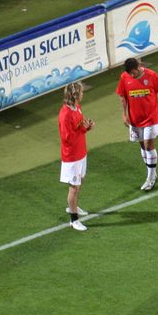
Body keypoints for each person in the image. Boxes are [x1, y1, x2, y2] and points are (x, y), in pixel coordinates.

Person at [115, 57, 158, 191]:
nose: (132, 76)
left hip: (151, 118)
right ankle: (152, 172)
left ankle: (150, 177)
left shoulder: (152, 75)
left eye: (133, 72)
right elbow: (123, 96)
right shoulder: (124, 77)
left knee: (148, 145)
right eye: (130, 73)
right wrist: (124, 114)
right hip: (135, 119)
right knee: (142, 146)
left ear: (138, 67)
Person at [58, 82, 94, 232]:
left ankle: (72, 206)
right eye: (81, 92)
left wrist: (87, 127)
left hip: (81, 152)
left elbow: (79, 127)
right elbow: (67, 139)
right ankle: (74, 220)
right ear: (75, 95)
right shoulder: (65, 114)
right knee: (74, 187)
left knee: (79, 182)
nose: (83, 94)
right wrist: (83, 130)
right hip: (72, 156)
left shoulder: (77, 107)